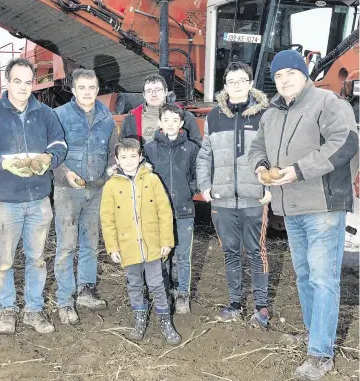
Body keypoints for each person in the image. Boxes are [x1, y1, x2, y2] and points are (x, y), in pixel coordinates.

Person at [248, 50, 358, 380]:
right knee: (306, 277)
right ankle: (315, 338)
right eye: (278, 76)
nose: (283, 81)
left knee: (324, 280)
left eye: (290, 74)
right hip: (291, 207)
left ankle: (321, 355)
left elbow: (347, 142)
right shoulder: (272, 113)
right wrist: (261, 167)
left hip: (323, 205)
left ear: (304, 74)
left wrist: (298, 170)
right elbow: (257, 148)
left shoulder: (327, 102)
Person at [0, 58, 67, 334]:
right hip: (5, 202)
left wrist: (50, 159)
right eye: (17, 81)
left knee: (37, 259)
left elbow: (59, 143)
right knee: (4, 261)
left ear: (34, 83)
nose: (22, 87)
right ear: (7, 82)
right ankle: (7, 310)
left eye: (28, 82)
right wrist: (3, 163)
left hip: (39, 201)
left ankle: (34, 310)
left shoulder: (45, 114)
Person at [196, 61, 271, 328]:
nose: (237, 86)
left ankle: (261, 308)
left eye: (242, 81)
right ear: (225, 86)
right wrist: (205, 186)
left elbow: (274, 153)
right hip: (223, 199)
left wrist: (270, 187)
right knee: (230, 252)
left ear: (250, 83)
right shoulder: (215, 117)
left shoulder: (266, 115)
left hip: (254, 198)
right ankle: (235, 304)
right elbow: (205, 154)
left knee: (256, 251)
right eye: (231, 82)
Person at [100, 138, 181, 345]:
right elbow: (107, 218)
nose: (129, 161)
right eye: (124, 157)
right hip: (128, 247)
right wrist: (112, 246)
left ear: (140, 157)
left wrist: (166, 241)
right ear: (117, 159)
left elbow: (164, 211)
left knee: (157, 283)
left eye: (133, 156)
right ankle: (139, 318)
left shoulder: (152, 179)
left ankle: (165, 320)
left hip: (152, 244)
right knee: (134, 283)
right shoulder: (111, 186)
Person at [53, 69, 118, 324]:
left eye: (92, 87)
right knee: (67, 246)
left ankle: (86, 291)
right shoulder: (59, 116)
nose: (88, 92)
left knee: (90, 243)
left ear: (98, 88)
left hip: (97, 188)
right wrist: (65, 173)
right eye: (82, 87)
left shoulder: (107, 117)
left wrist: (112, 170)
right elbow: (52, 153)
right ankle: (65, 300)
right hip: (68, 190)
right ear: (73, 89)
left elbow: (114, 150)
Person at [143, 104, 199, 314]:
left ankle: (182, 293)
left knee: (183, 256)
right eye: (166, 120)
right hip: (158, 214)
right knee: (162, 254)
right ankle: (164, 293)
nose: (170, 124)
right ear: (159, 123)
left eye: (175, 120)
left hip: (184, 210)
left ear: (182, 124)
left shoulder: (192, 148)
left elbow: (198, 175)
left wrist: (189, 191)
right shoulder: (149, 149)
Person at [120, 73, 202, 146]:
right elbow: (122, 149)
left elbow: (197, 147)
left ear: (166, 92)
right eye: (149, 91)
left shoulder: (186, 118)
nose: (154, 94)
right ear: (144, 95)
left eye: (158, 90)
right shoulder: (130, 121)